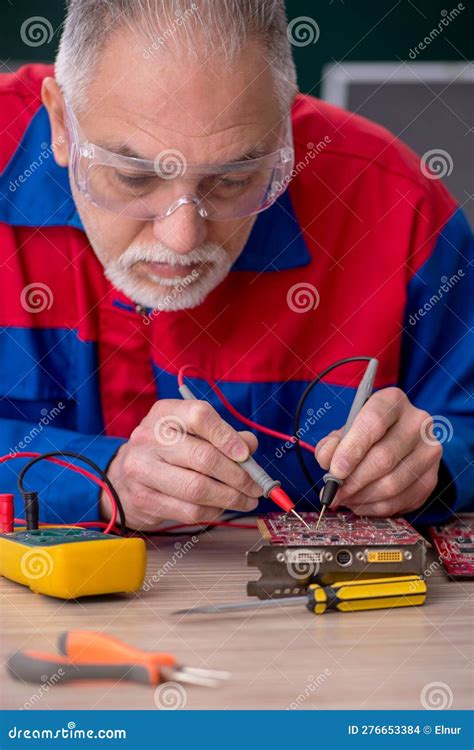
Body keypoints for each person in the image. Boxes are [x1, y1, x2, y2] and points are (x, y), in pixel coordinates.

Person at [0, 1, 472, 531]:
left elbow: (465, 426)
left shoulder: (395, 205)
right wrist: (97, 477)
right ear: (62, 123)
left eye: (231, 181)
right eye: (134, 177)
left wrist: (435, 461)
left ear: (284, 132)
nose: (181, 239)